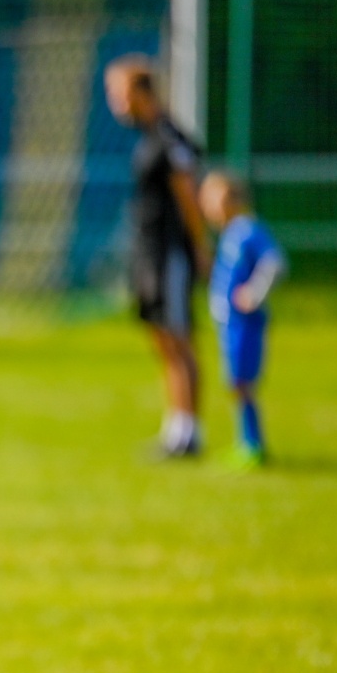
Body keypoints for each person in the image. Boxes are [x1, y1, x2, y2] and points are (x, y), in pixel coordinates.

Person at [104, 55, 213, 458]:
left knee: (179, 337)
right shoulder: (150, 136)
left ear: (140, 92)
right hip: (149, 253)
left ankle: (190, 433)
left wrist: (200, 247)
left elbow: (187, 192)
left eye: (118, 93)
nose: (115, 102)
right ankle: (175, 428)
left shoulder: (169, 136)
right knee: (163, 339)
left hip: (170, 253)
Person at [200, 169, 285, 468]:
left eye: (214, 199)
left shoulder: (248, 230)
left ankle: (252, 444)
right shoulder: (230, 234)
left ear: (233, 199)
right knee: (235, 383)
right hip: (230, 325)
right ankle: (245, 442)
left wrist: (254, 293)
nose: (208, 206)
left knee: (242, 382)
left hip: (245, 325)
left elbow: (274, 262)